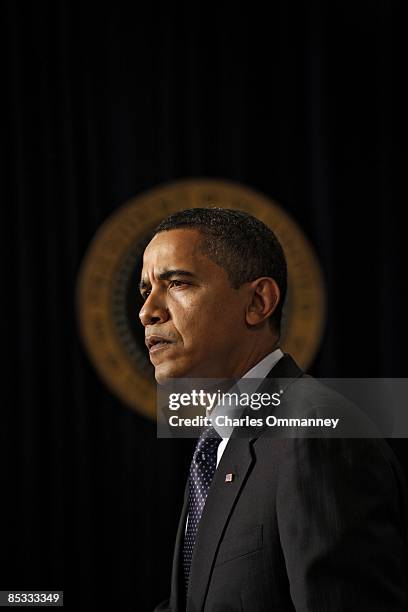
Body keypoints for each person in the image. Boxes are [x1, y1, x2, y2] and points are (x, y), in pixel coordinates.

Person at [139, 208, 408, 612]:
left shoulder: (315, 434)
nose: (148, 312)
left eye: (177, 283)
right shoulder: (220, 444)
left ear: (258, 302)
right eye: (146, 291)